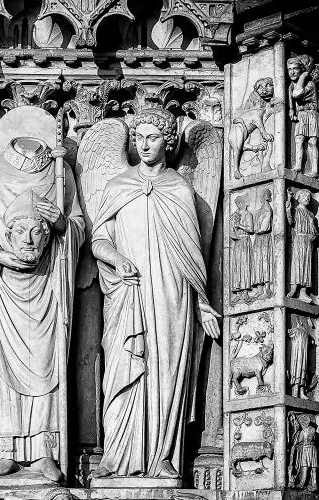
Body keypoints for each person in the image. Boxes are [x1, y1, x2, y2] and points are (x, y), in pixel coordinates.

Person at [92, 109, 220, 480]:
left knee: (166, 371)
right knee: (122, 368)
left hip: (171, 293)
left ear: (168, 141)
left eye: (152, 137)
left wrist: (201, 303)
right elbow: (99, 239)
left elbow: (194, 253)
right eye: (139, 138)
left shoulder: (179, 187)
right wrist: (116, 258)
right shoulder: (119, 185)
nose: (144, 145)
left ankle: (163, 455)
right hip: (128, 291)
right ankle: (117, 457)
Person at [0, 136, 84, 482]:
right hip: (1, 284)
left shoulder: (59, 171)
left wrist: (61, 222)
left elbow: (79, 225)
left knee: (48, 363)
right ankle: (5, 451)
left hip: (48, 283)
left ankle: (45, 451)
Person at [288, 55, 319, 177]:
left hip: (312, 114)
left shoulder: (310, 84)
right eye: (289, 69)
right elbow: (290, 97)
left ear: (302, 69)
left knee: (312, 142)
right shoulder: (291, 85)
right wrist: (291, 109)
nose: (292, 72)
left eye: (295, 69)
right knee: (299, 139)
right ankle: (298, 166)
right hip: (301, 115)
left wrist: (303, 75)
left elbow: (297, 94)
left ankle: (314, 170)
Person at [286, 189, 318, 303]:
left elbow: (314, 230)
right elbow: (290, 222)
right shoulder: (296, 210)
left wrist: (313, 235)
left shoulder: (310, 214)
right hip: (298, 239)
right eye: (304, 196)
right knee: (297, 263)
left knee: (306, 264)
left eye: (308, 196)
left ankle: (303, 292)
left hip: (308, 241)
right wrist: (288, 207)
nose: (307, 198)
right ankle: (293, 288)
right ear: (298, 198)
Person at [230, 194, 254, 303]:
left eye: (239, 203)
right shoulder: (235, 214)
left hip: (245, 241)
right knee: (237, 265)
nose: (238, 205)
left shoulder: (248, 214)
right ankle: (238, 291)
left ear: (244, 203)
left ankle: (245, 292)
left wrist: (239, 225)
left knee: (245, 265)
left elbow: (250, 229)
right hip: (237, 242)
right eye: (237, 203)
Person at [251, 189, 274, 299]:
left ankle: (267, 288)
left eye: (267, 195)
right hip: (258, 239)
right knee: (257, 262)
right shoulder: (259, 211)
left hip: (264, 238)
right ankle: (259, 289)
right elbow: (256, 227)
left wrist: (257, 228)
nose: (265, 197)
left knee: (265, 261)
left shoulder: (268, 210)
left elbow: (264, 228)